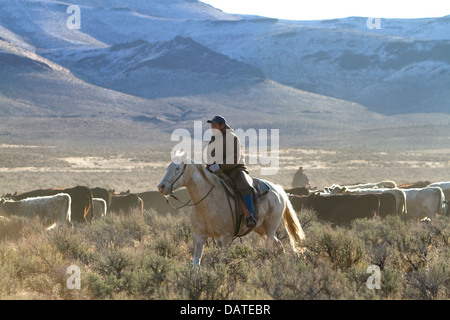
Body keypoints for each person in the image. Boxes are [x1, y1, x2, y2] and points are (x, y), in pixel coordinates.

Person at [205, 115, 257, 228]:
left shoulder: (232, 137)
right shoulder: (214, 138)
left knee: (244, 187)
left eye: (214, 125)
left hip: (235, 169)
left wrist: (219, 166)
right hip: (218, 170)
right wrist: (208, 167)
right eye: (211, 125)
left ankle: (249, 217)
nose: (212, 127)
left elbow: (234, 159)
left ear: (222, 126)